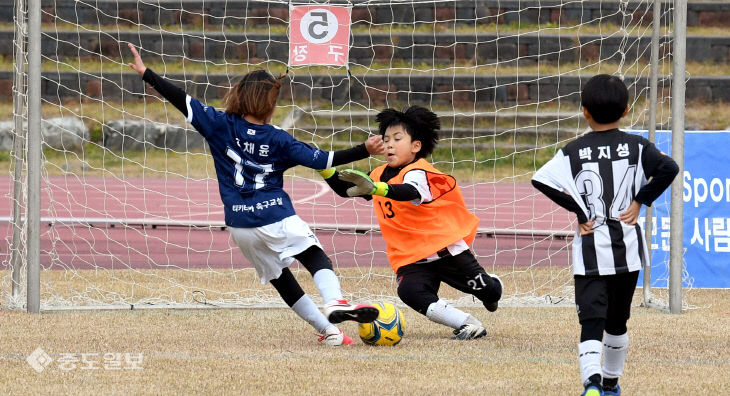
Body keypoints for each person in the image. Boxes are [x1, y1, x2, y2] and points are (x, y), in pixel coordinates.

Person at [126, 44, 382, 346]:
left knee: (280, 279)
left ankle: (331, 332)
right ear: (271, 105)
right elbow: (323, 160)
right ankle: (336, 301)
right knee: (313, 255)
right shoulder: (279, 139)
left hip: (239, 224)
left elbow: (182, 99)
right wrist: (363, 149)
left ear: (238, 95)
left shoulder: (218, 124)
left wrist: (147, 74)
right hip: (275, 215)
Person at [532, 74, 679, 395]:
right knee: (617, 322)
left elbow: (540, 180)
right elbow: (670, 168)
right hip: (628, 248)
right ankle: (611, 382)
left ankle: (592, 383)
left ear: (584, 111)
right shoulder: (638, 147)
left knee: (591, 322)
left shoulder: (573, 150)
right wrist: (640, 200)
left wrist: (580, 212)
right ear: (626, 110)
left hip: (590, 251)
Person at [318, 106, 503, 340]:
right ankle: (467, 323)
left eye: (397, 138)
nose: (390, 144)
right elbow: (346, 190)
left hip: (445, 251)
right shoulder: (378, 173)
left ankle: (493, 289)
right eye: (385, 139)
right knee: (410, 292)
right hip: (411, 257)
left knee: (488, 291)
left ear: (416, 146)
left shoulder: (419, 171)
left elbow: (407, 191)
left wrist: (376, 188)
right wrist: (323, 167)